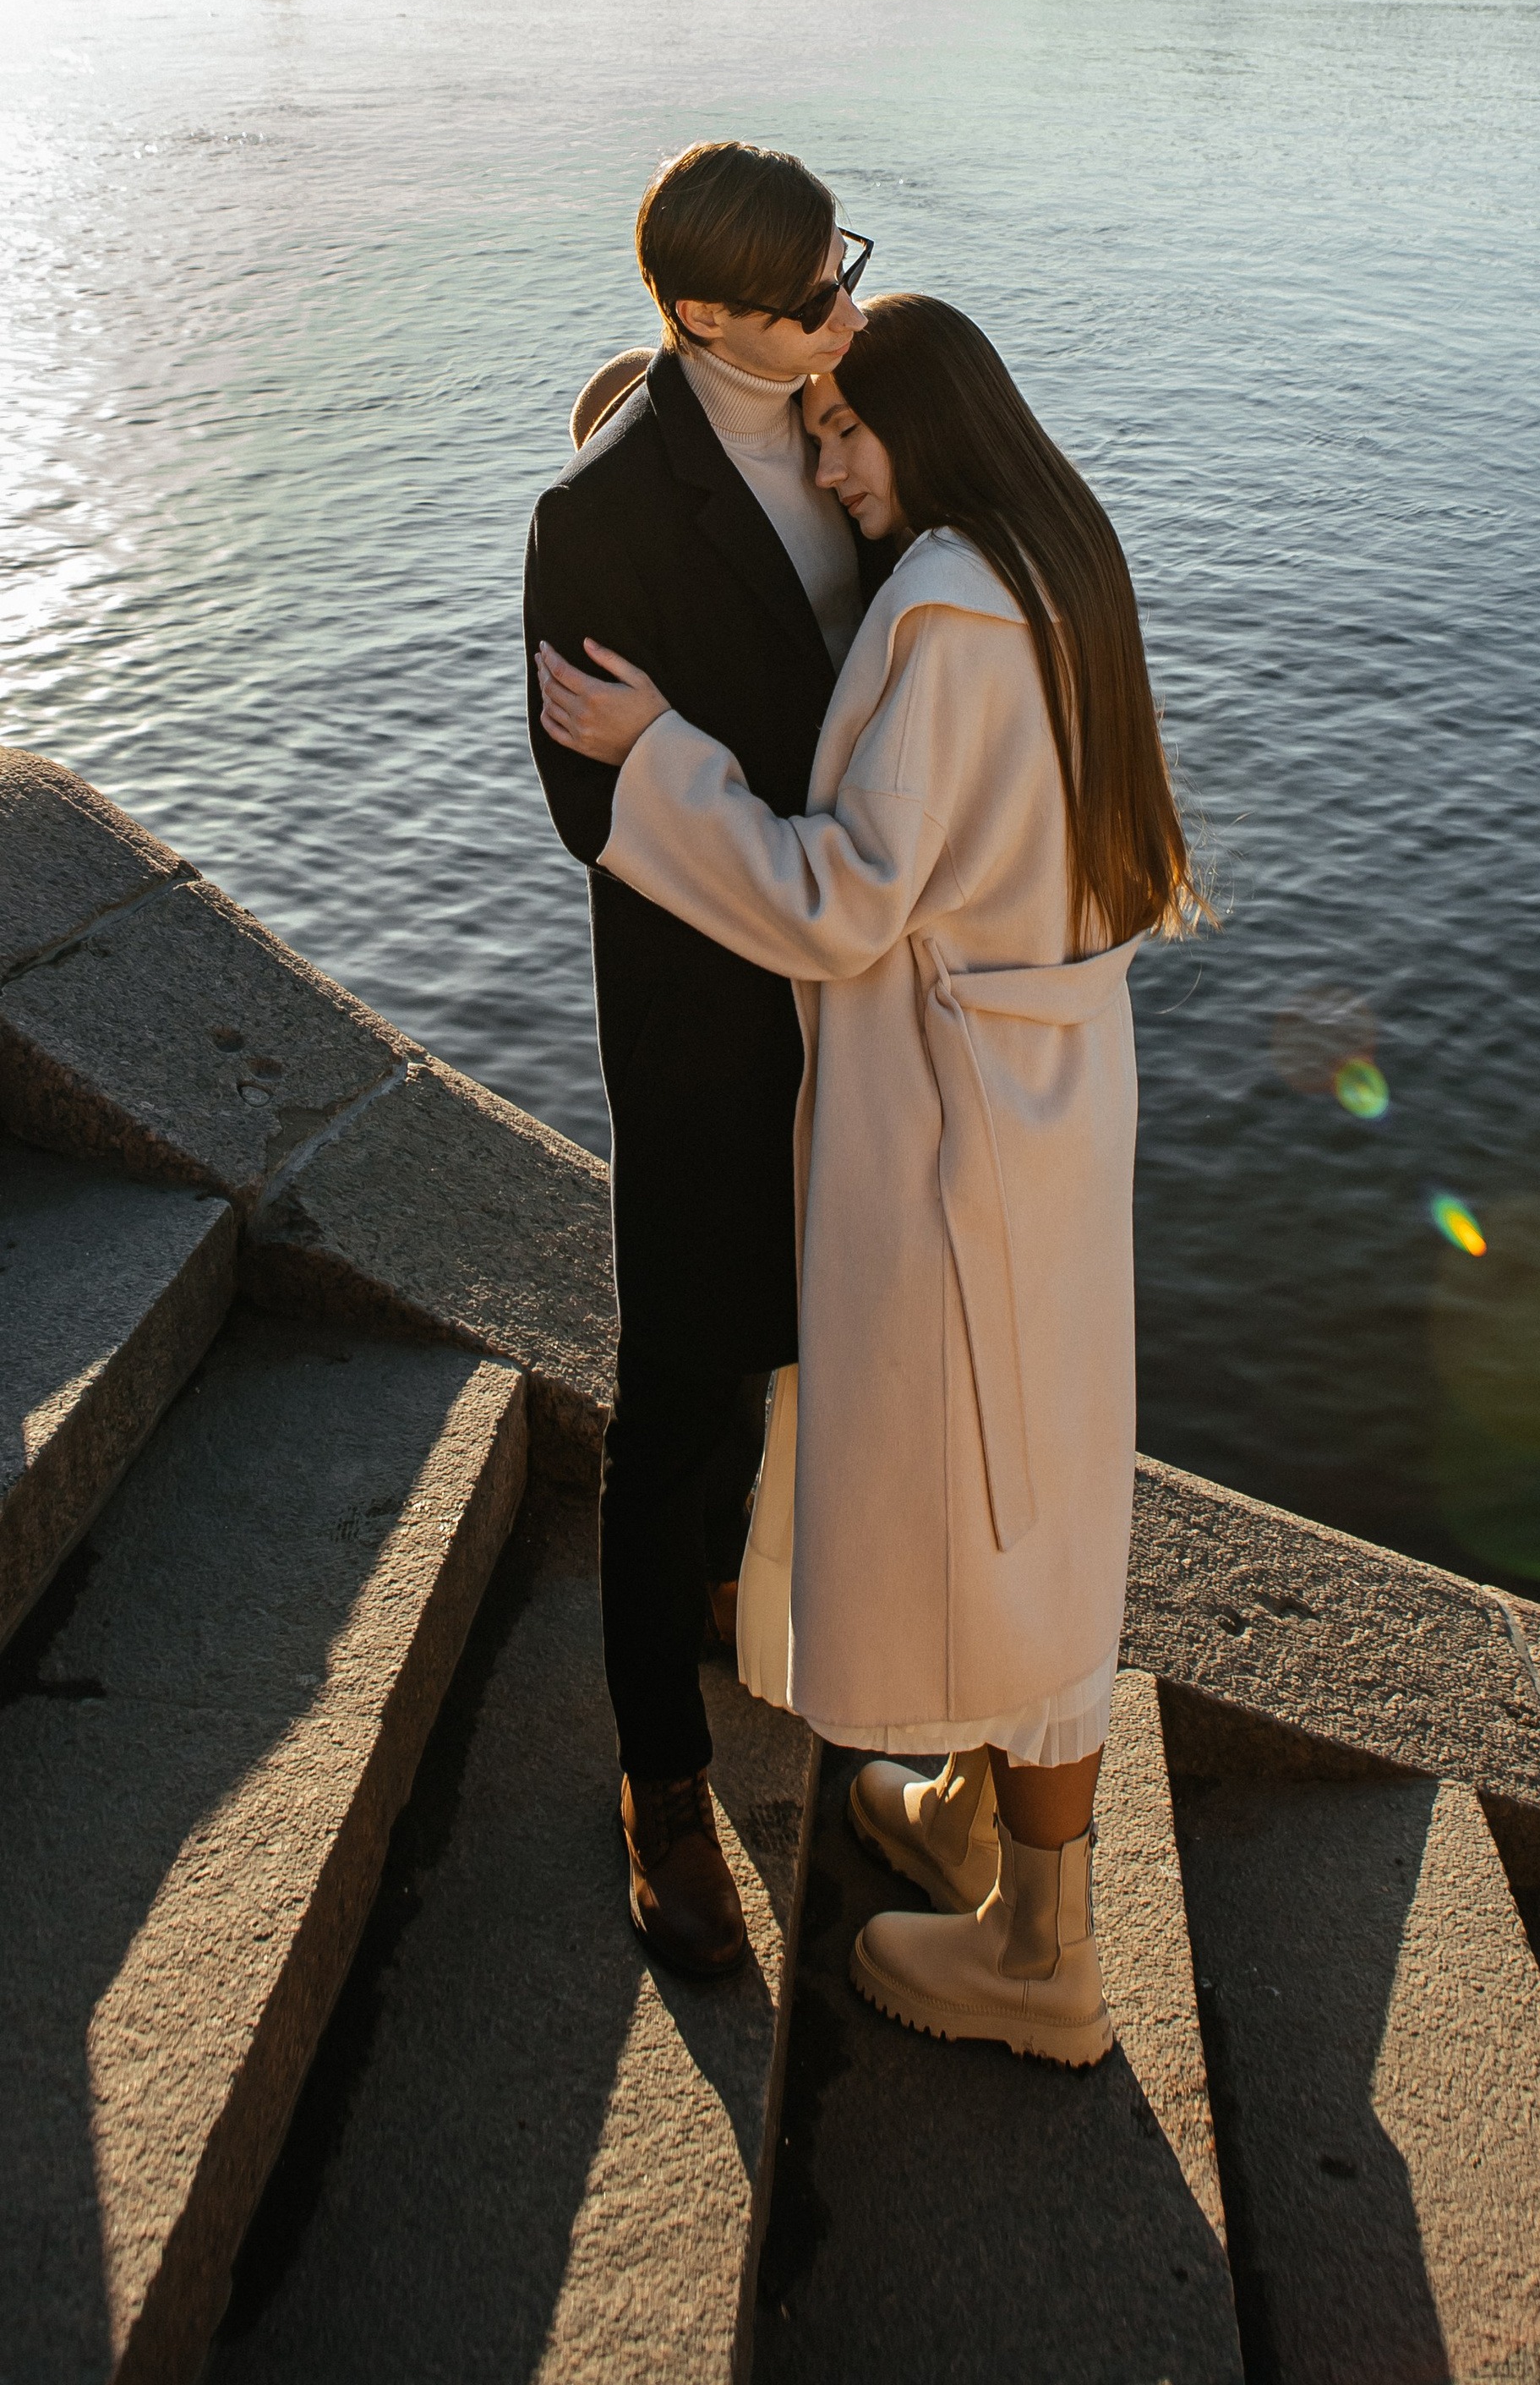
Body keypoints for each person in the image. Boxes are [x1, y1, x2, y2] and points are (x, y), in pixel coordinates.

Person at [537, 294, 1204, 2066]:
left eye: (845, 431)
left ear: (935, 421)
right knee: (1033, 1482)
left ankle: (1042, 1958)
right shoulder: (1056, 564)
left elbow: (841, 899)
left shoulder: (944, 617)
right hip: (1050, 1092)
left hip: (948, 1124)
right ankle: (984, 1823)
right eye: (808, 431)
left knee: (997, 1502)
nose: (828, 468)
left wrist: (656, 760)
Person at [523, 139, 888, 1980]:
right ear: (698, 319)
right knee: (677, 1400)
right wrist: (741, 815)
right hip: (706, 1020)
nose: (847, 307)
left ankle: (824, 1656)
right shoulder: (596, 514)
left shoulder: (864, 415)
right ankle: (661, 1786)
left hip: (876, 993)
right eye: (812, 293)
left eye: (846, 266)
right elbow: (591, 804)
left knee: (847, 1362)